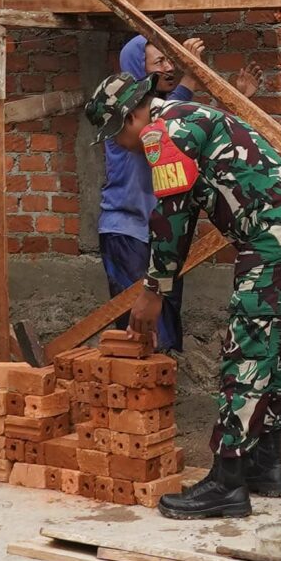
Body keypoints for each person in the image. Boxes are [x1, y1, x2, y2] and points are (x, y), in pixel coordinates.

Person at [84, 71, 281, 520]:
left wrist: (154, 289)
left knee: (248, 353)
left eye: (115, 133)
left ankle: (227, 481)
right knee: (277, 351)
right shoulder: (188, 118)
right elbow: (187, 212)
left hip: (273, 241)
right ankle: (266, 464)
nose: (115, 144)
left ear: (132, 115)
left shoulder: (164, 134)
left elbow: (171, 217)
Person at [96, 36, 184, 354]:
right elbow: (183, 102)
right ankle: (135, 393)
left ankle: (157, 394)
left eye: (170, 59)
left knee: (167, 318)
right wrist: (193, 70)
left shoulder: (159, 109)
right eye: (159, 62)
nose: (169, 67)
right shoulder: (125, 114)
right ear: (138, 69)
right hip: (126, 231)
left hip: (159, 234)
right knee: (140, 327)